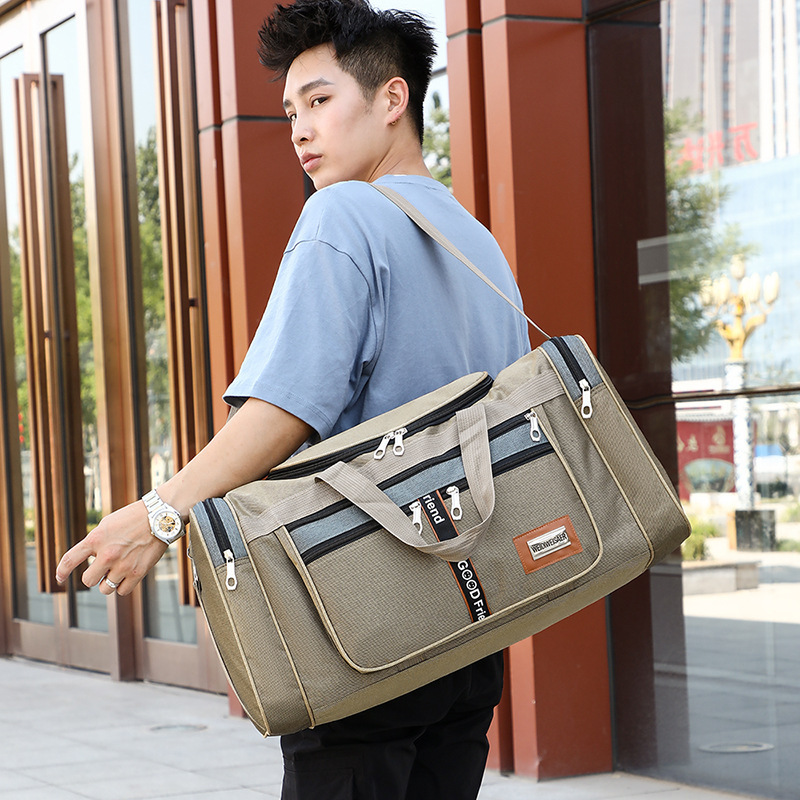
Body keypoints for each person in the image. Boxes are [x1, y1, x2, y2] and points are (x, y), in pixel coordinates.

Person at [57, 0, 530, 797]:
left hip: (363, 619)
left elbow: (284, 410)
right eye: (289, 112)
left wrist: (160, 514)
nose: (300, 131)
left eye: (319, 100)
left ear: (392, 98)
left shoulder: (343, 213)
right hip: (471, 625)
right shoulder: (478, 245)